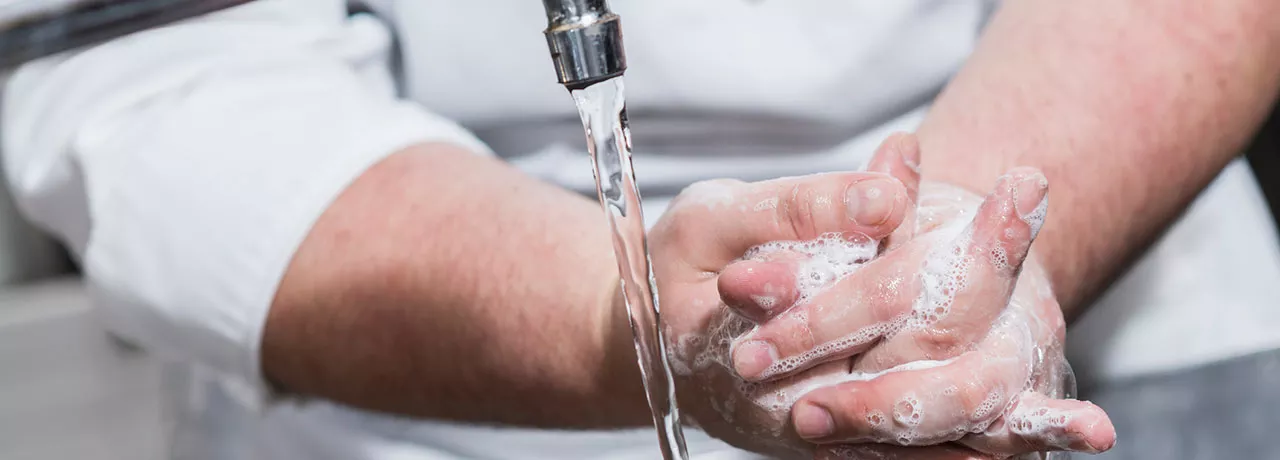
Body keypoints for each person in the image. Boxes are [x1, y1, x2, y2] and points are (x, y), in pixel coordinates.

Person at [3, 0, 1279, 459]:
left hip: (1110, 244)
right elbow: (151, 77)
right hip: (420, 359)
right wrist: (613, 317)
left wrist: (961, 263)